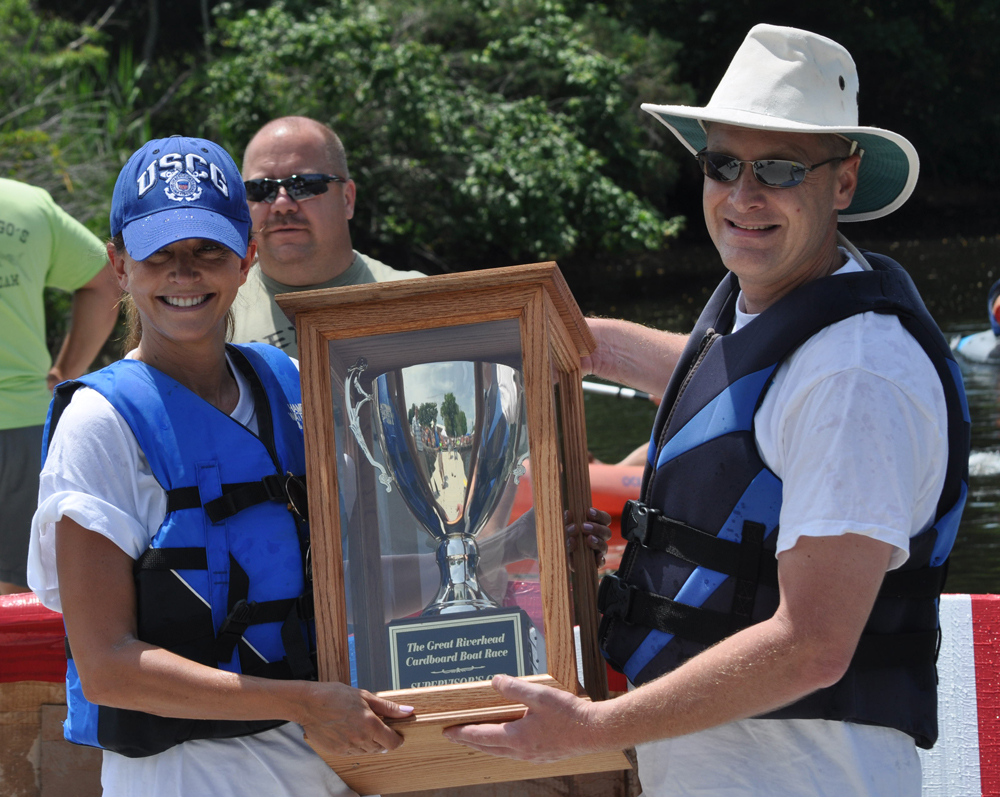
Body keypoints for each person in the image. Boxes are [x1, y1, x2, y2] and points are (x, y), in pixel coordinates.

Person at [445, 25, 970, 797]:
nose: (744, 195)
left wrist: (590, 731)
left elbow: (813, 646)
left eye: (781, 169)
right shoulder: (770, 313)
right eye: (723, 164)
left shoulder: (858, 375)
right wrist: (572, 340)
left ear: (845, 182)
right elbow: (735, 393)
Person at [26, 135, 414, 797]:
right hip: (183, 776)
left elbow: (355, 572)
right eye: (160, 253)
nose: (185, 272)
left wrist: (511, 559)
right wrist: (301, 701)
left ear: (246, 258)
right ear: (120, 265)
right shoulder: (100, 424)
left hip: (324, 764)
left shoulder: (287, 382)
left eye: (208, 249)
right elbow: (107, 667)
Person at [0, 178, 119, 594]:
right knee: (19, 606)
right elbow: (107, 279)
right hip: (26, 431)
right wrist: (66, 370)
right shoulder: (26, 203)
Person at [232, 116, 424, 357]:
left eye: (303, 185)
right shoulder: (215, 315)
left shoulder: (419, 303)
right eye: (261, 189)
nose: (282, 204)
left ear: (347, 199)